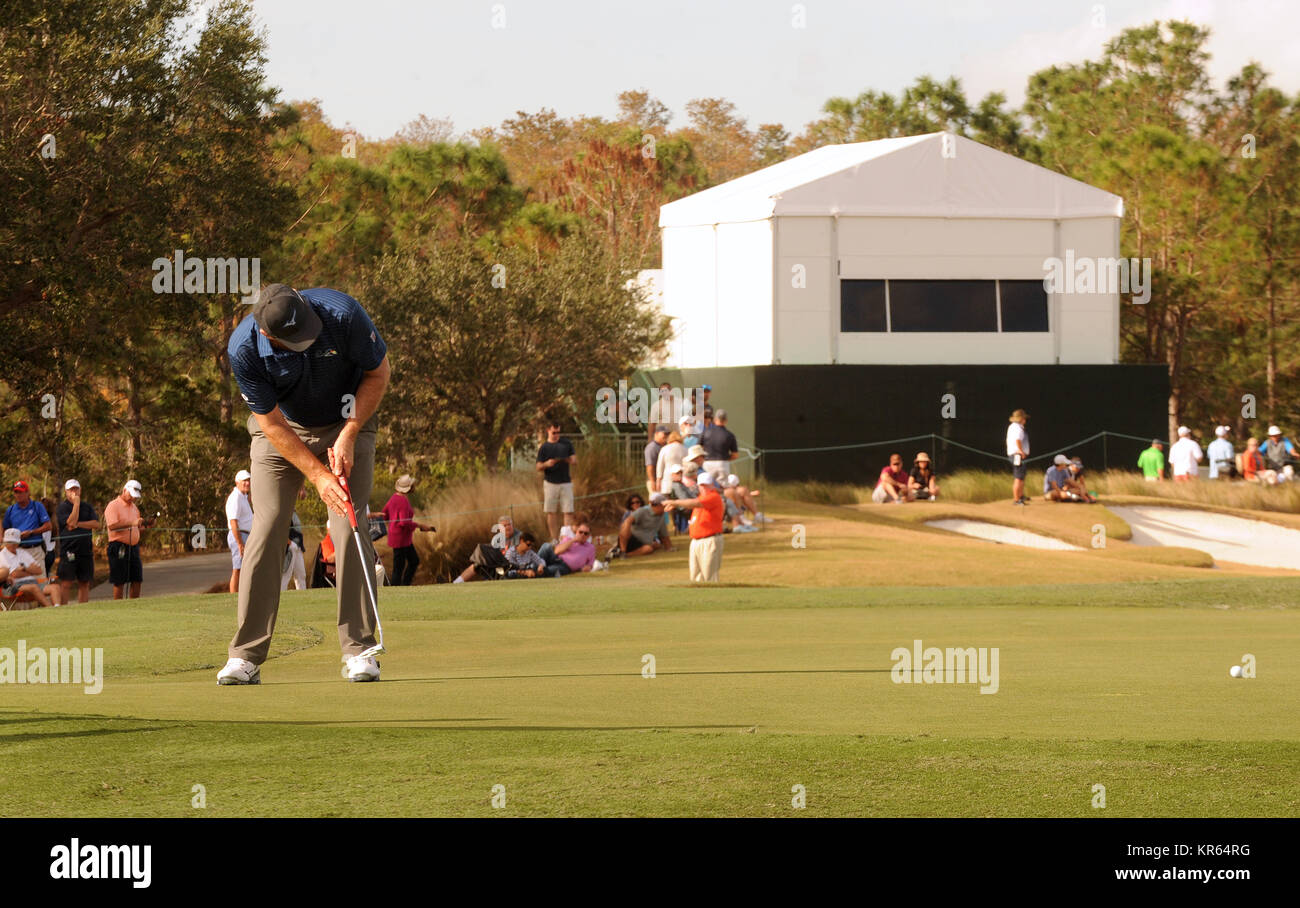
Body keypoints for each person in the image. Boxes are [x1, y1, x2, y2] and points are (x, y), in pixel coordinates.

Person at [221, 283, 391, 685]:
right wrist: (316, 475)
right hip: (281, 431)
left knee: (347, 524)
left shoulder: (342, 312)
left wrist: (349, 434)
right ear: (267, 334)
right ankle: (245, 657)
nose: (309, 339)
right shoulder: (243, 348)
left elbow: (378, 372)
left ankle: (359, 650)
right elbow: (271, 423)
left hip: (346, 421)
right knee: (268, 525)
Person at [664, 472, 725, 582]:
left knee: (709, 577)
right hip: (696, 541)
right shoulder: (701, 498)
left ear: (712, 485)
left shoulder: (713, 497)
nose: (704, 488)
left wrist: (675, 502)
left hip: (709, 540)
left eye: (706, 485)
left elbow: (695, 503)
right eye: (701, 485)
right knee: (695, 577)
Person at [381, 474, 434, 586]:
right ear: (408, 488)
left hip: (400, 538)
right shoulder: (403, 501)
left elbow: (384, 515)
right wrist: (420, 525)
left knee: (412, 561)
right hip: (401, 539)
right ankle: (399, 587)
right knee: (400, 567)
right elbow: (404, 523)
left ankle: (405, 584)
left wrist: (393, 522)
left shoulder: (393, 498)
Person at [104, 480, 149, 599]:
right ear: (125, 490)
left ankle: (134, 606)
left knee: (137, 579)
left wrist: (146, 525)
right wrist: (132, 523)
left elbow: (137, 528)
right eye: (131, 495)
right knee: (119, 580)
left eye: (135, 497)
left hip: (133, 547)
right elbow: (112, 526)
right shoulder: (113, 505)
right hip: (118, 546)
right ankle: (118, 608)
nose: (133, 499)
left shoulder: (134, 508)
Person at [56, 479, 99, 604]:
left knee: (84, 582)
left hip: (85, 550)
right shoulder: (62, 508)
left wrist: (78, 524)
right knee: (66, 582)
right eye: (71, 489)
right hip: (69, 550)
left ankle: (83, 609)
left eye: (76, 489)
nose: (74, 491)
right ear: (66, 492)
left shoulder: (88, 507)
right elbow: (69, 523)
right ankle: (64, 609)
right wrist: (76, 505)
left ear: (80, 490)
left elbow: (96, 524)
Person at [536, 420, 577, 542]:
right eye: (554, 432)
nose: (556, 435)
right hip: (550, 483)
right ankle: (554, 539)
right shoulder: (544, 447)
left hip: (566, 482)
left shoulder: (566, 443)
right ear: (548, 431)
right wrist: (547, 464)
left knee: (568, 511)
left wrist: (567, 459)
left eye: (558, 432)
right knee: (551, 512)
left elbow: (575, 460)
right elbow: (538, 466)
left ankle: (566, 537)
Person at [454, 515, 523, 583]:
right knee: (477, 565)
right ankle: (456, 582)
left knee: (481, 551)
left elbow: (517, 555)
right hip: (499, 563)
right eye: (505, 526)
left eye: (509, 524)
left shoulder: (520, 536)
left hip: (510, 565)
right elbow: (493, 551)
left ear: (512, 525)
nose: (508, 527)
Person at [1, 527, 60, 607]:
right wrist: (30, 572)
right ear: (5, 542)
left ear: (18, 543)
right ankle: (51, 609)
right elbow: (13, 574)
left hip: (32, 582)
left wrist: (24, 569)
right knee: (34, 587)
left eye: (14, 542)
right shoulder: (2, 555)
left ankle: (57, 607)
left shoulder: (22, 552)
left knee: (55, 587)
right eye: (9, 542)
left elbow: (39, 570)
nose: (12, 545)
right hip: (13, 586)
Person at [608, 493, 672, 560]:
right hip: (632, 540)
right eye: (664, 505)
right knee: (626, 526)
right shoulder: (642, 511)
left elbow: (664, 536)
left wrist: (669, 547)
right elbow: (628, 521)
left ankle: (622, 554)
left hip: (643, 544)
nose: (666, 507)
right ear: (658, 505)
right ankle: (622, 550)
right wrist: (627, 528)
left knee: (649, 549)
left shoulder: (661, 516)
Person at [4, 481, 52, 565]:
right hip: (17, 551)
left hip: (35, 550)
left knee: (39, 578)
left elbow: (48, 526)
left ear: (27, 493)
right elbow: (4, 528)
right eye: (16, 492)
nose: (18, 495)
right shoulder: (10, 509)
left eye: (21, 492)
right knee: (19, 578)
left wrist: (31, 532)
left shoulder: (37, 506)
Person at [225, 469, 253, 593]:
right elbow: (233, 522)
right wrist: (240, 543)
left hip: (245, 535)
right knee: (238, 568)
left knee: (245, 568)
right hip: (238, 535)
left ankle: (242, 594)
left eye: (248, 481)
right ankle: (234, 595)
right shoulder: (235, 497)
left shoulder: (243, 497)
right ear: (237, 482)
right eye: (244, 481)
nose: (247, 483)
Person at [700, 409, 739, 483]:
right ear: (726, 421)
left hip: (707, 463)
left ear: (714, 420)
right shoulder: (729, 435)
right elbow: (735, 455)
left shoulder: (705, 433)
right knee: (723, 488)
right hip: (723, 464)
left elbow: (698, 449)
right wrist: (726, 459)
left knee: (708, 485)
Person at [1006, 410, 1030, 505]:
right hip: (1017, 455)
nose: (1025, 420)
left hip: (1016, 454)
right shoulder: (1017, 428)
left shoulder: (1013, 427)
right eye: (1024, 418)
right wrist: (1020, 450)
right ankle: (1016, 499)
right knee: (1019, 477)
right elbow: (1017, 439)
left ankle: (1020, 496)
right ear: (1021, 419)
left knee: (1021, 476)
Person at [656, 427, 687, 495]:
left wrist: (658, 481)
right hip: (682, 479)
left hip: (667, 480)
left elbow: (660, 467)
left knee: (668, 501)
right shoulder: (685, 449)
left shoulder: (664, 449)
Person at [280, 512, 307, 591]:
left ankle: (303, 598)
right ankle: (281, 596)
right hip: (289, 547)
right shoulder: (284, 510)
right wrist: (291, 543)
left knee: (301, 575)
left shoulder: (294, 512)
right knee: (285, 575)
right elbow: (280, 529)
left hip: (298, 547)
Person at [643, 425, 669, 496]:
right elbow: (650, 466)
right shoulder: (652, 447)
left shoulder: (664, 446)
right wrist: (652, 481)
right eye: (664, 434)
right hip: (655, 480)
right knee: (656, 502)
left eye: (667, 434)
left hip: (662, 481)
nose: (666, 436)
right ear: (656, 433)